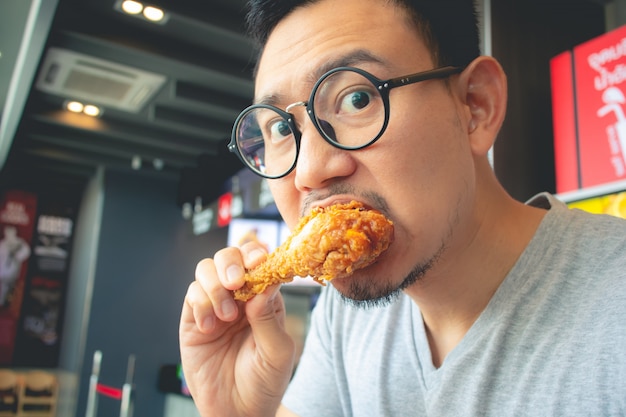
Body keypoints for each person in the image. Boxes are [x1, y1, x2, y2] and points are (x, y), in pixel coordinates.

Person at [179, 0, 626, 415]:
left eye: (357, 98)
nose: (309, 172)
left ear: (476, 105)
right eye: (280, 128)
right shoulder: (346, 318)